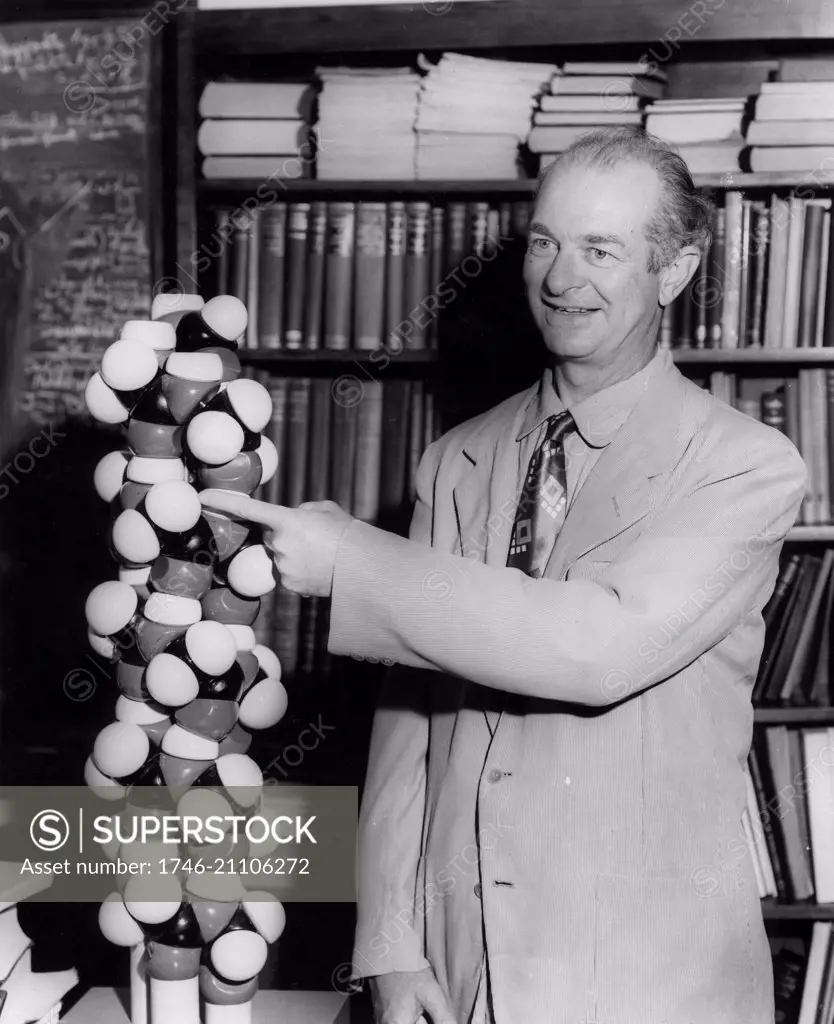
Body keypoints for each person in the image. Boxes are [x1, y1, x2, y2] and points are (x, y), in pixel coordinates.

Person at [200, 127, 808, 1024]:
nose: (561, 280)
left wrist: (355, 563)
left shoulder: (745, 467)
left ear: (674, 272)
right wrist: (392, 951)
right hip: (459, 970)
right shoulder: (456, 459)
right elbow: (408, 725)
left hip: (646, 980)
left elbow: (598, 647)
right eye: (545, 242)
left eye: (602, 250)